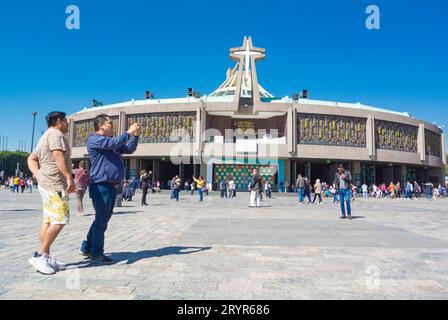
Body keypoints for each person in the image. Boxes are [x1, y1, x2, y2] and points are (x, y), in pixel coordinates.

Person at [80, 114, 140, 264]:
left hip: (111, 185)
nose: (112, 126)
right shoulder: (95, 139)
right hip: (101, 185)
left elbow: (128, 149)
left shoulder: (111, 142)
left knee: (102, 219)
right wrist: (128, 132)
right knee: (101, 220)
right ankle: (97, 253)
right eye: (110, 123)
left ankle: (87, 247)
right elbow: (114, 143)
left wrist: (135, 136)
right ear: (100, 125)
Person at [27, 111, 75, 275]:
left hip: (46, 183)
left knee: (48, 220)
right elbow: (57, 156)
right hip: (55, 184)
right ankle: (40, 255)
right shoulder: (56, 134)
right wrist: (69, 177)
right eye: (66, 121)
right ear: (59, 121)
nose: (68, 124)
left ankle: (45, 255)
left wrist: (38, 174)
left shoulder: (44, 135)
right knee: (60, 219)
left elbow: (31, 158)